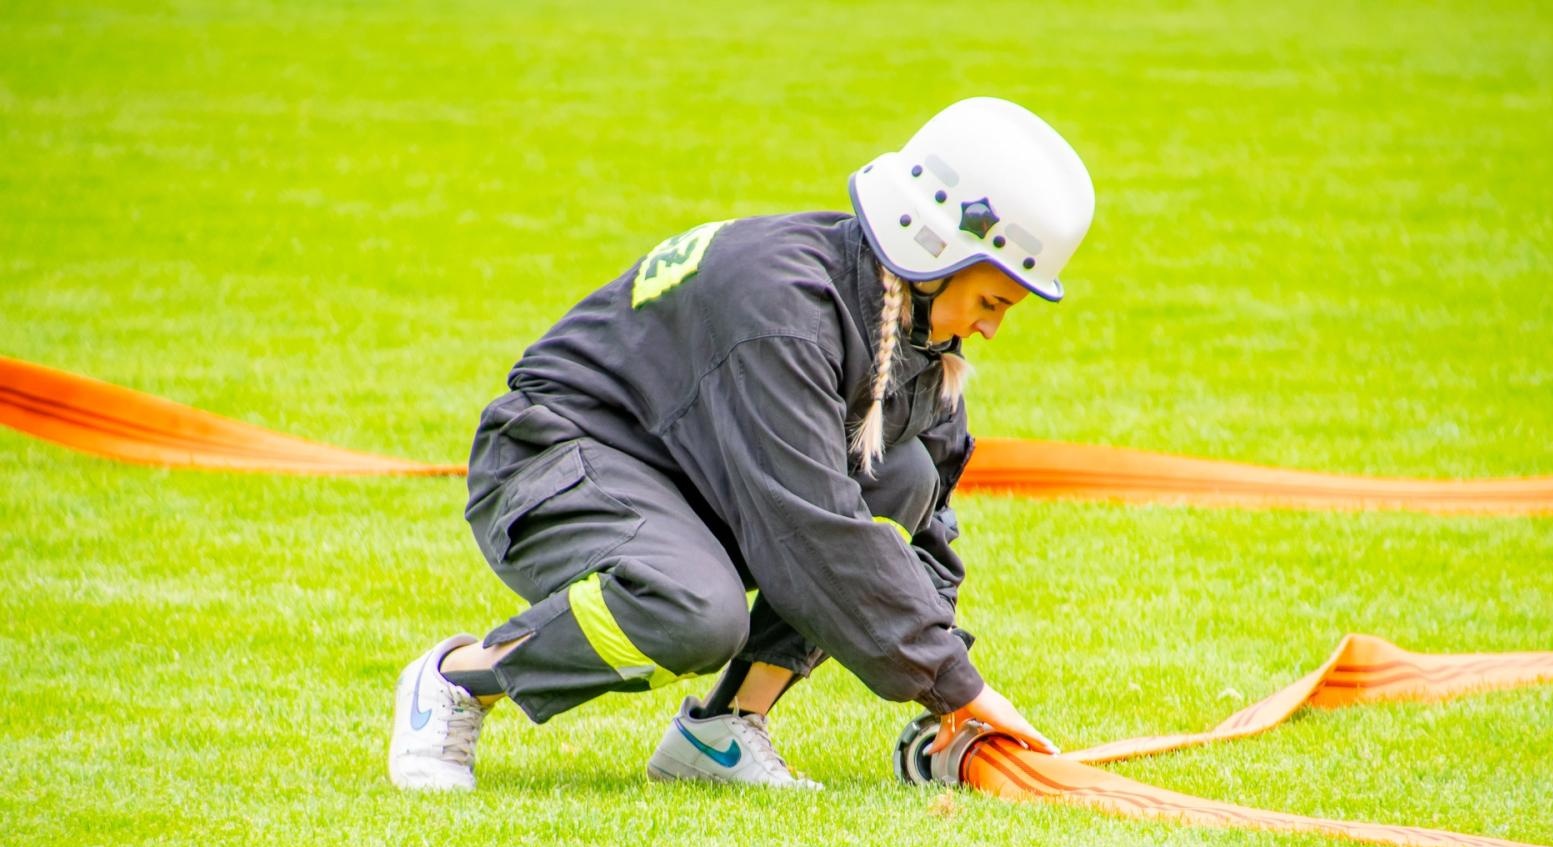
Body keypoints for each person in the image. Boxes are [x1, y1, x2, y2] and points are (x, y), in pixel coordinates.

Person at [388, 97, 1094, 791]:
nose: (992, 330)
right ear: (934, 249)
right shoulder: (784, 312)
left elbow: (922, 531)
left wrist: (952, 697)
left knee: (901, 475)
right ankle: (458, 679)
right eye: (993, 302)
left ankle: (720, 730)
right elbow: (809, 531)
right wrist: (960, 689)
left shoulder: (912, 335)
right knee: (697, 611)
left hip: (685, 475)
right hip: (551, 455)